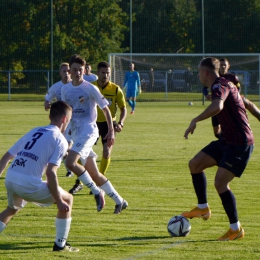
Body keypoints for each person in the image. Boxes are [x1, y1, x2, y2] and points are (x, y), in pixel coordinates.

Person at [182, 57, 254, 241]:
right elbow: (247, 104)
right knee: (195, 164)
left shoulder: (218, 86)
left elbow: (218, 106)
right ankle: (203, 208)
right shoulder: (226, 84)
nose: (198, 76)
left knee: (220, 183)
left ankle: (235, 229)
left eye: (199, 72)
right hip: (226, 140)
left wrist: (195, 120)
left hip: (239, 144)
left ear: (206, 73)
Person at [0, 101, 79, 252]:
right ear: (64, 120)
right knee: (67, 199)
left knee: (11, 209)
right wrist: (59, 200)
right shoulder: (60, 139)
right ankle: (60, 245)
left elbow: (5, 158)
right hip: (28, 184)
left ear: (50, 116)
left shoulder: (34, 131)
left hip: (11, 178)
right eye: (68, 120)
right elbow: (50, 173)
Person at [61, 54, 128, 214]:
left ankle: (98, 193)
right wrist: (64, 134)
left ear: (84, 71)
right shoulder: (65, 90)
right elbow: (66, 114)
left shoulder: (90, 88)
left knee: (70, 163)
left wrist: (111, 131)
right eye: (75, 70)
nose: (78, 73)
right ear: (70, 70)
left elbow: (105, 109)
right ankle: (120, 201)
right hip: (76, 133)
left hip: (89, 131)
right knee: (94, 174)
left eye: (81, 70)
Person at [203, 58, 260, 138]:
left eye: (224, 65)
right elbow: (204, 88)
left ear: (228, 66)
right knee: (217, 133)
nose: (222, 67)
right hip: (218, 104)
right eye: (221, 65)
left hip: (232, 104)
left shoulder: (232, 77)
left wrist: (236, 95)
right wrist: (206, 95)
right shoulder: (214, 78)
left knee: (246, 104)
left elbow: (238, 86)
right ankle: (227, 140)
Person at [44, 62, 74, 177]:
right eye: (64, 71)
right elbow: (47, 100)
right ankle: (69, 168)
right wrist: (47, 104)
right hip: (60, 122)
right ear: (60, 73)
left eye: (68, 71)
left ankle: (72, 167)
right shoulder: (56, 87)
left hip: (74, 121)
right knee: (62, 145)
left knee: (69, 145)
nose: (66, 73)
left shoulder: (76, 85)